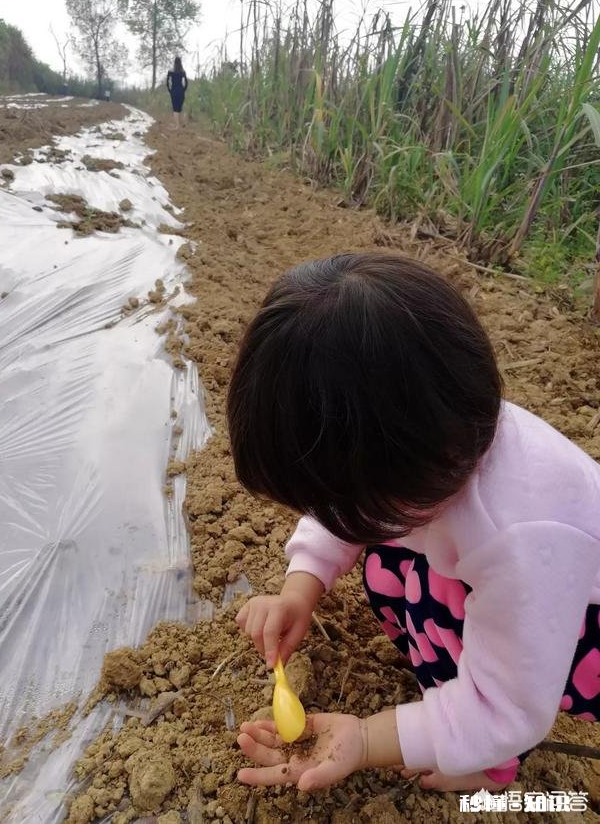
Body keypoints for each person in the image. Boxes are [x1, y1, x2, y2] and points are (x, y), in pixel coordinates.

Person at [228, 253, 600, 794]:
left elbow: (510, 707)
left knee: (432, 595)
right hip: (537, 599)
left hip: (581, 632)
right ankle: (452, 704)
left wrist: (366, 738)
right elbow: (350, 499)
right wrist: (299, 588)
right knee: (390, 563)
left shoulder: (519, 539)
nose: (328, 519)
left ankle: (489, 765)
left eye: (335, 505)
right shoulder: (435, 437)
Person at [166, 57, 188, 128]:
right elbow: (186, 82)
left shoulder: (170, 71)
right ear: (181, 63)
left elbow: (167, 82)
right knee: (179, 108)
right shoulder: (183, 72)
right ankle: (180, 123)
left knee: (175, 109)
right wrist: (184, 90)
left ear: (174, 63)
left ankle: (177, 125)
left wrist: (170, 90)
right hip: (181, 92)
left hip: (174, 92)